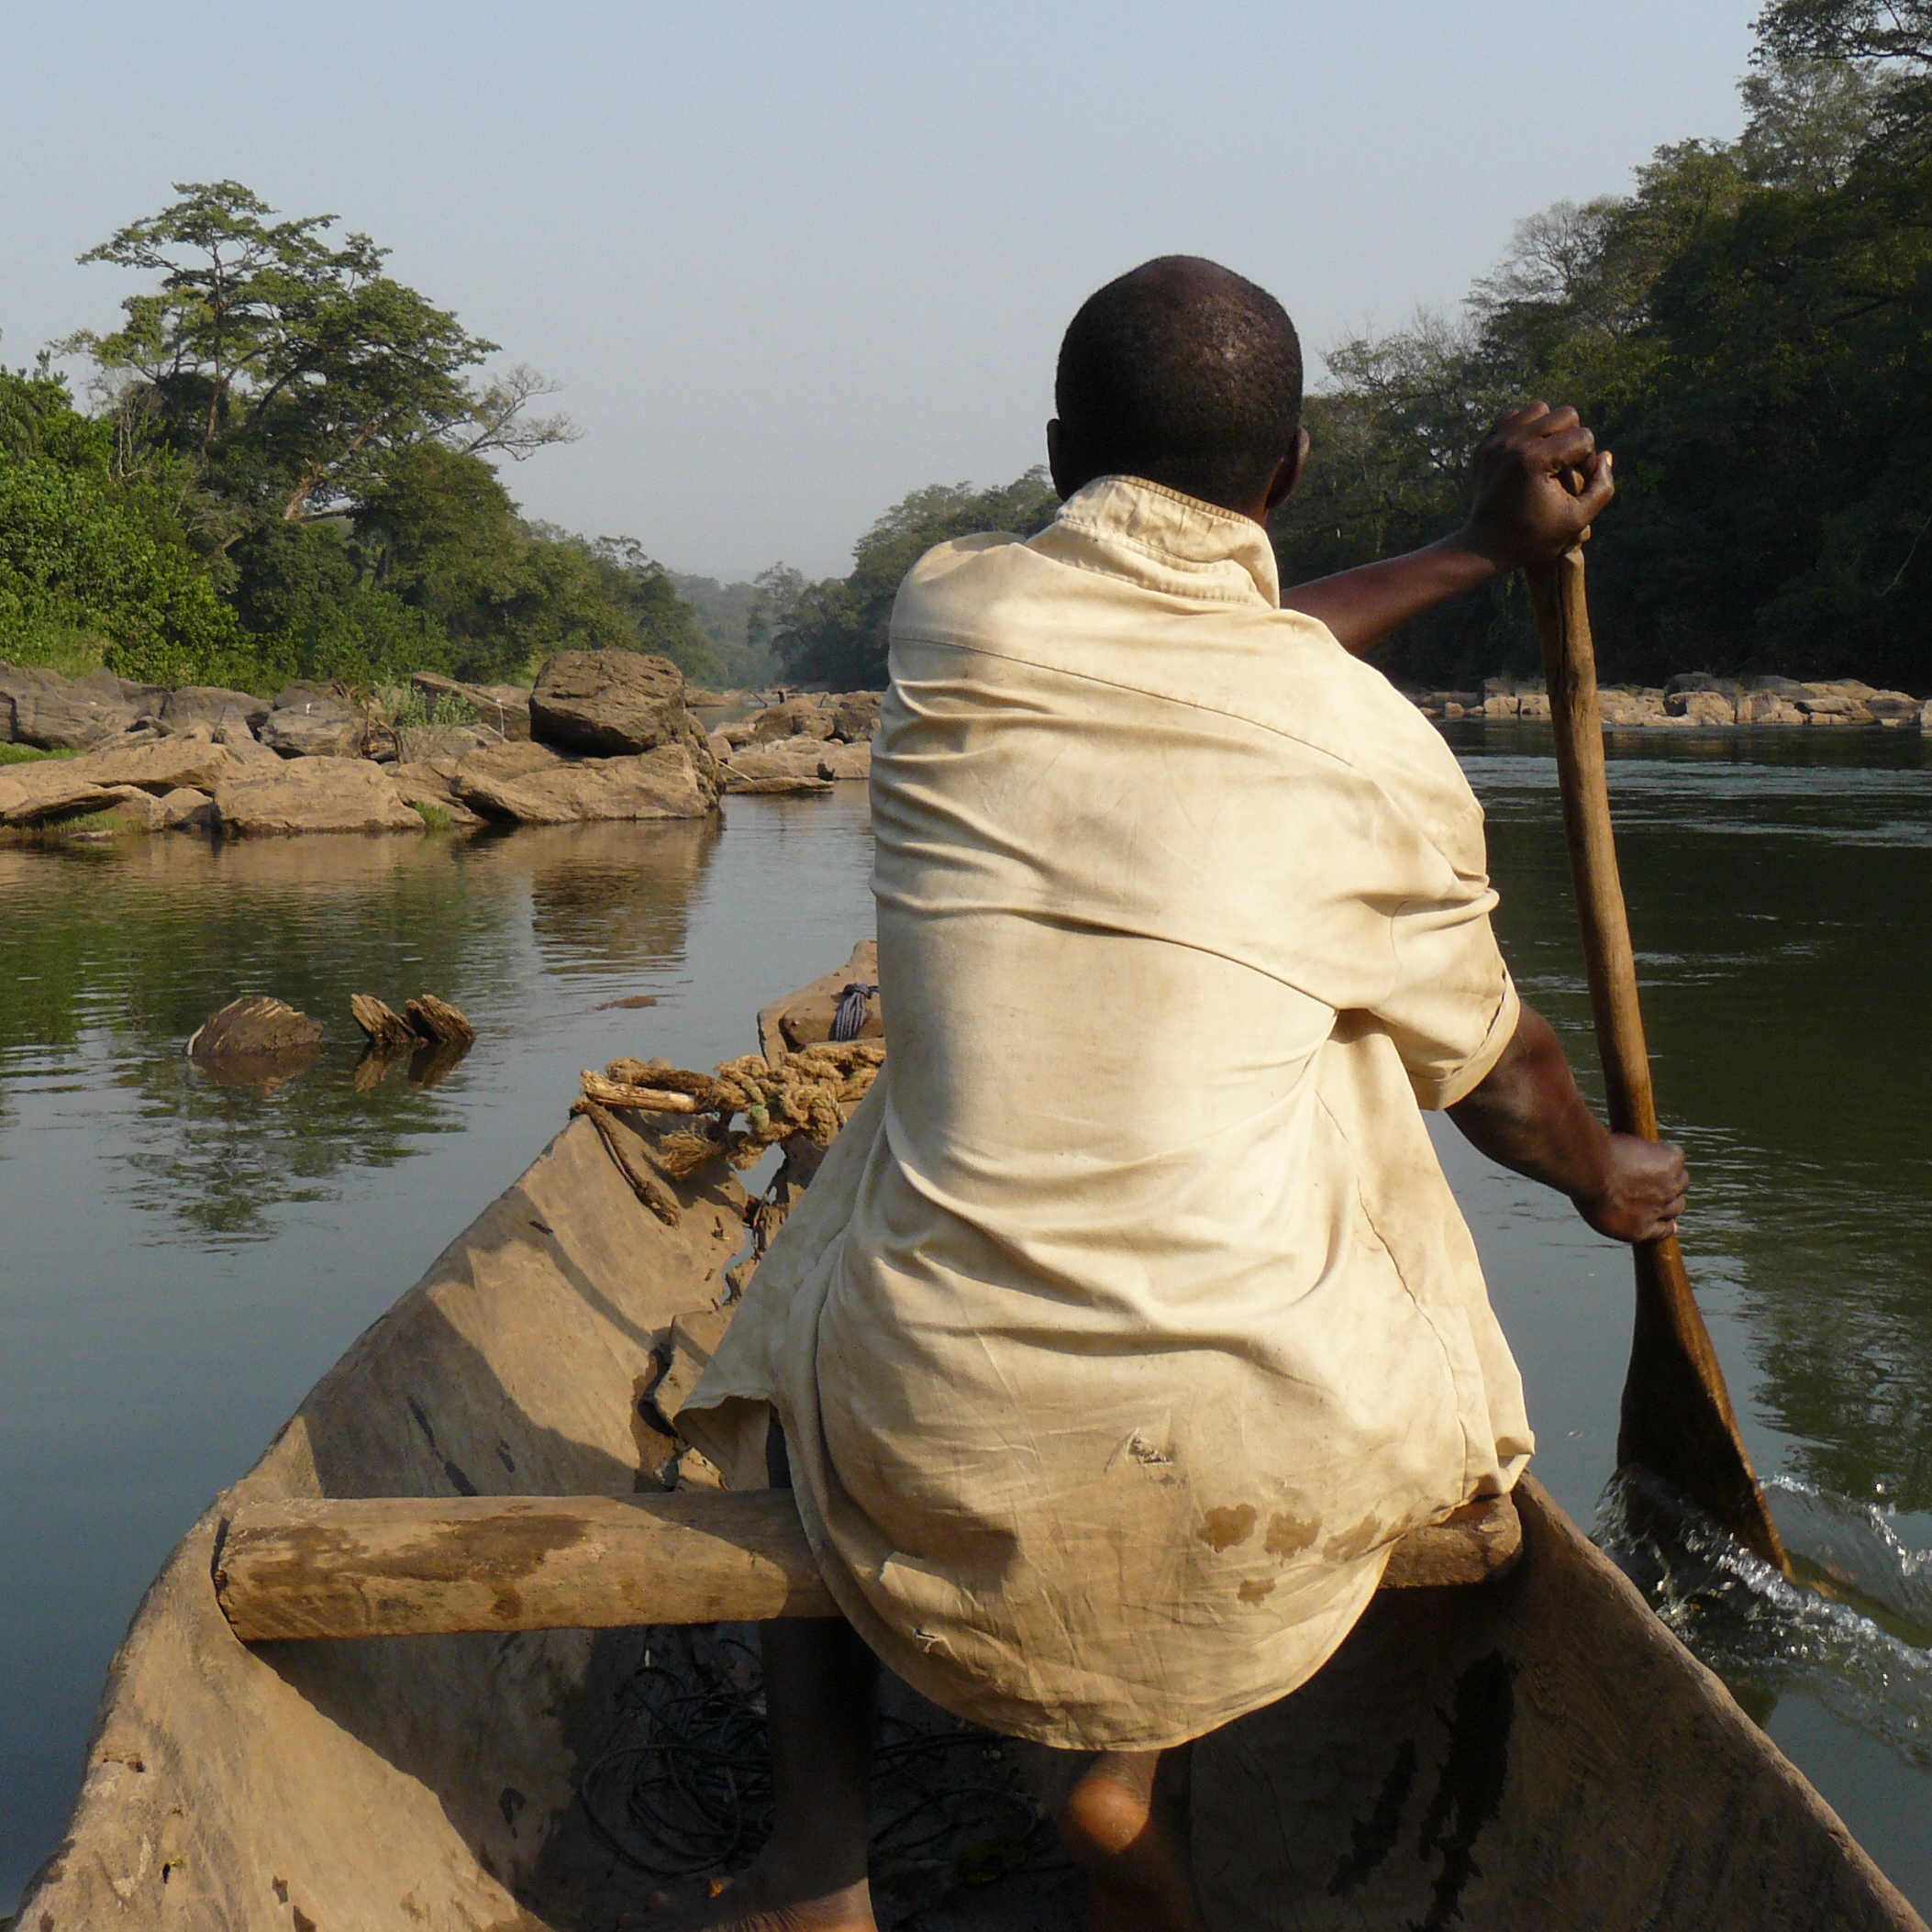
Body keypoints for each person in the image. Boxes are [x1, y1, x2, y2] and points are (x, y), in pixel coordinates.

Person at [672, 256, 1688, 1932]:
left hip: (925, 1428)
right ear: (1286, 475)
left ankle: (813, 1859)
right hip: (1259, 1452)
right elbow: (1506, 1079)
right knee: (1369, 1041)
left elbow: (1219, 638)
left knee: (827, 1243)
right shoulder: (1367, 752)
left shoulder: (948, 616)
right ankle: (1127, 1761)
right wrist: (1604, 1177)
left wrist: (1468, 557)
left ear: (1054, 450)